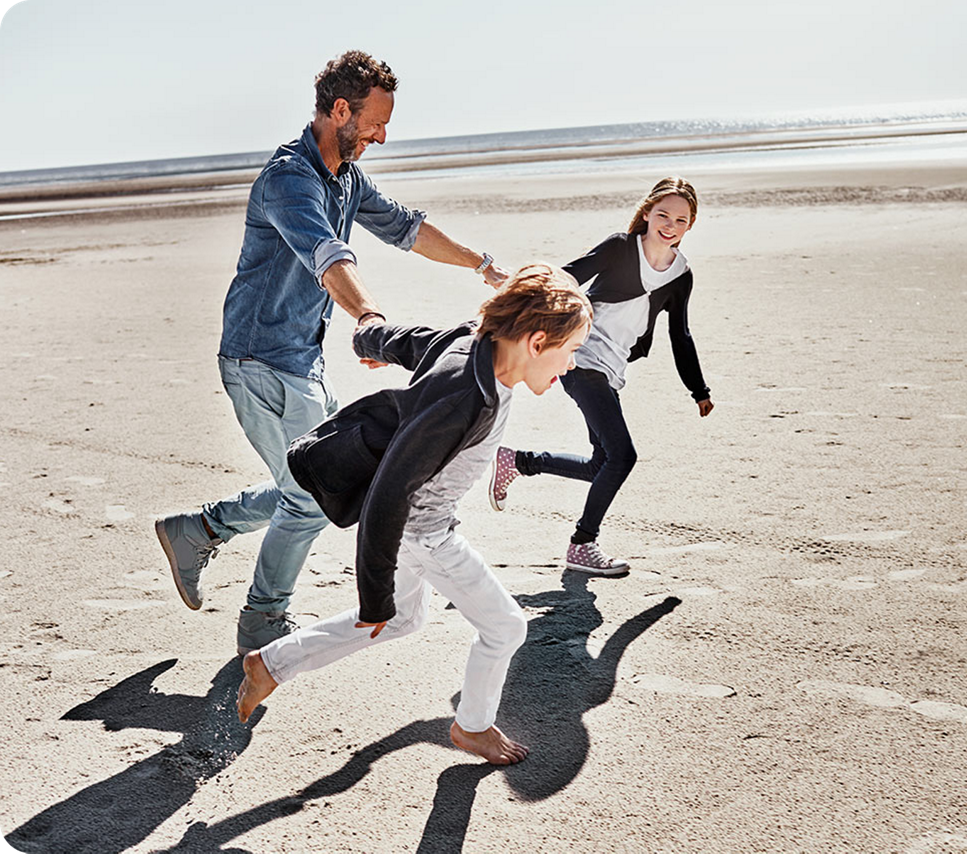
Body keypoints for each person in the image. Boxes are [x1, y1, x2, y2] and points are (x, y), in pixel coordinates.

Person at [154, 50, 507, 655]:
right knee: (309, 493)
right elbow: (327, 256)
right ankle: (262, 620)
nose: (382, 135)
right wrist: (370, 317)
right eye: (374, 122)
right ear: (339, 109)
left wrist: (481, 264)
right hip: (260, 360)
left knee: (330, 475)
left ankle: (201, 528)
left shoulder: (345, 175)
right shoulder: (290, 179)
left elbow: (406, 227)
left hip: (300, 358)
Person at [236, 264, 592, 765]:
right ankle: (473, 727)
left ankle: (270, 664)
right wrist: (373, 592)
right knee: (506, 627)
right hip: (425, 532)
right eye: (571, 350)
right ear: (536, 343)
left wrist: (368, 338)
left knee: (401, 620)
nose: (571, 365)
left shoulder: (472, 342)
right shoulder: (465, 399)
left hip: (414, 531)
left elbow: (411, 341)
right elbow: (388, 492)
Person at [487, 177, 713, 575]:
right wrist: (520, 291)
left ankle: (517, 462)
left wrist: (698, 388)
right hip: (578, 358)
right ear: (646, 213)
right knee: (623, 456)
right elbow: (570, 275)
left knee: (601, 463)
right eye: (663, 214)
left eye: (681, 219)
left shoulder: (681, 275)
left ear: (690, 225)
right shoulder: (621, 248)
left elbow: (682, 334)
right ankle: (582, 544)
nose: (670, 224)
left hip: (611, 369)